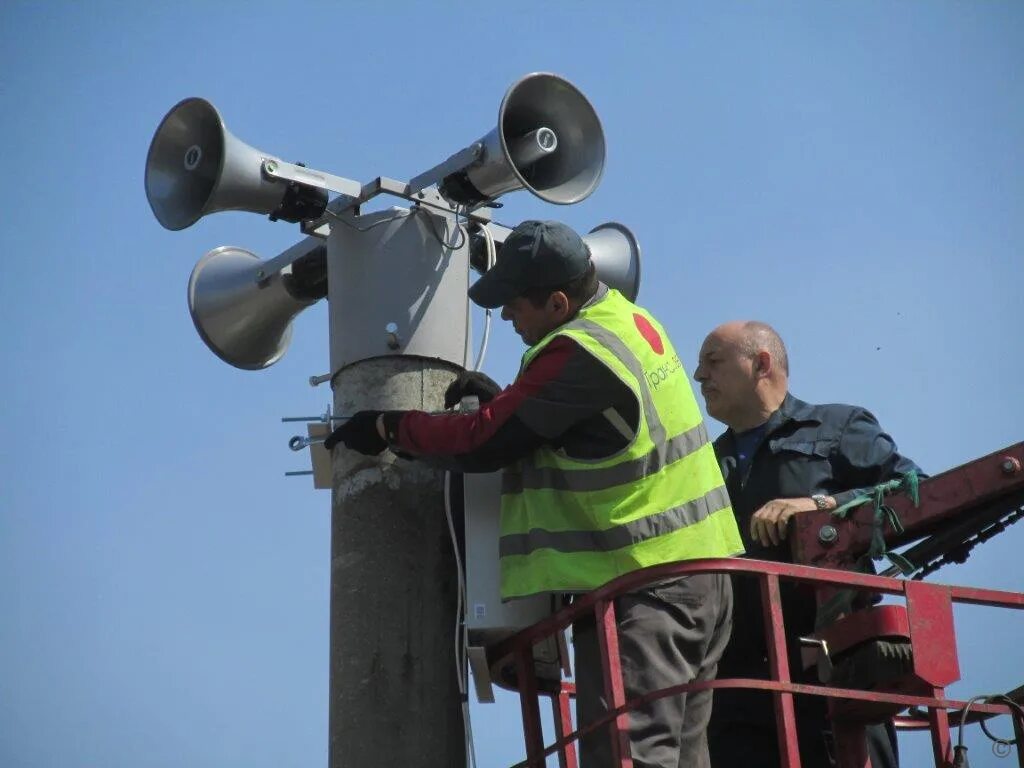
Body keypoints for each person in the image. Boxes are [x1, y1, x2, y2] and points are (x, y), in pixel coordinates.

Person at [325, 220, 744, 768]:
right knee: (681, 755)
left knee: (629, 756)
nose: (505, 316)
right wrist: (511, 403)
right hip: (701, 579)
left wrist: (387, 427)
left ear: (557, 301)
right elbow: (586, 427)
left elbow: (481, 443)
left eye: (514, 304)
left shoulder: (581, 353)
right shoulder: (627, 322)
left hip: (650, 587)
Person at [693, 320, 922, 768]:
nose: (699, 376)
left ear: (761, 363)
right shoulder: (701, 463)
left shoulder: (839, 426)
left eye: (713, 362)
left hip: (833, 679)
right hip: (734, 693)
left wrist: (821, 505)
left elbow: (913, 493)